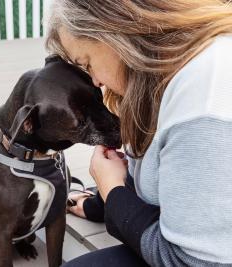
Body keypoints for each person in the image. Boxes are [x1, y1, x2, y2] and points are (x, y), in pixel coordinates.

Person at [45, 1, 232, 266]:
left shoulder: (203, 103)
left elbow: (188, 261)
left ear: (116, 33)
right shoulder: (167, 73)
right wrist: (98, 203)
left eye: (87, 64)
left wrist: (113, 191)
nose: (96, 81)